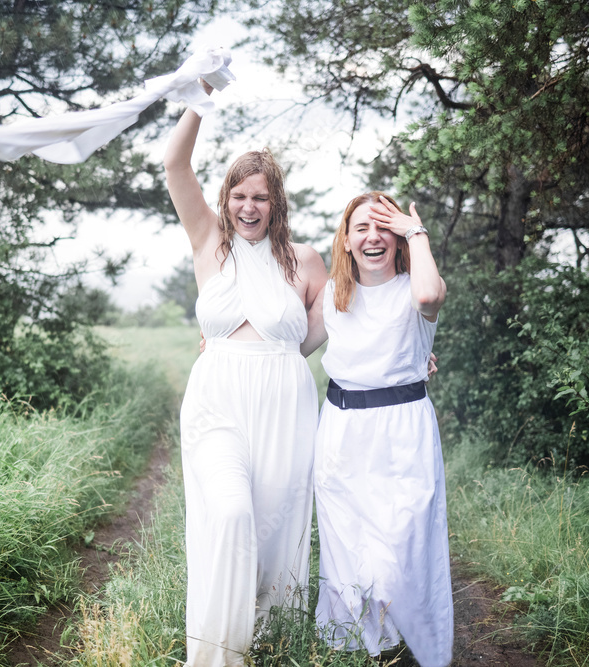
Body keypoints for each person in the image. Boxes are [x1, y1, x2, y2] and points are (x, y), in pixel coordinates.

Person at [164, 81, 328, 667]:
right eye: (240, 196)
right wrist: (200, 96)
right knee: (230, 513)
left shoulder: (306, 261)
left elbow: (323, 333)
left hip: (284, 400)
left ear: (276, 202)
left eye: (260, 197)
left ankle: (271, 643)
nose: (249, 207)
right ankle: (216, 656)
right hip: (217, 398)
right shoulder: (208, 241)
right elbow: (173, 162)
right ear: (227, 198)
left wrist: (416, 348)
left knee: (276, 531)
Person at [310, 191, 452, 667]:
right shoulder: (334, 294)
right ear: (346, 241)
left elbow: (431, 297)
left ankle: (406, 642)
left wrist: (417, 230)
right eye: (361, 229)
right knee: (347, 548)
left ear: (398, 239)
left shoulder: (416, 287)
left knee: (401, 544)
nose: (373, 237)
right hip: (342, 430)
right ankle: (360, 651)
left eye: (383, 228)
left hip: (402, 433)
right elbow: (293, 343)